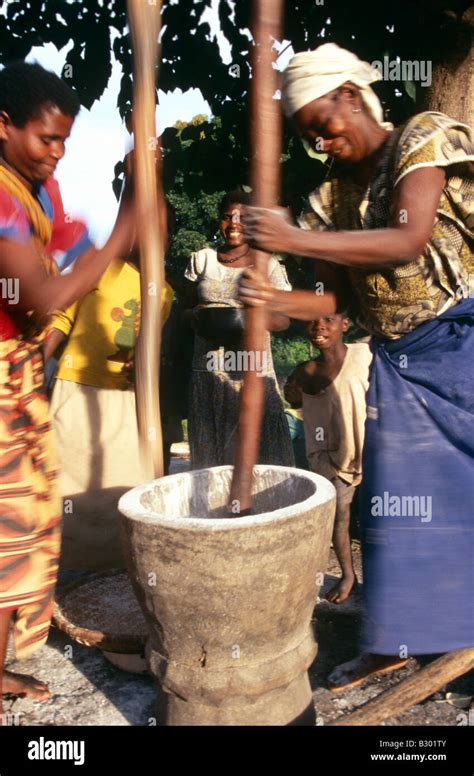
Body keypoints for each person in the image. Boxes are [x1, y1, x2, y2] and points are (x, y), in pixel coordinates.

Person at [239, 43, 474, 690]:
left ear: (351, 95)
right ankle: (395, 640)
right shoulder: (331, 199)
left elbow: (406, 236)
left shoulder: (421, 140)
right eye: (309, 135)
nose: (321, 142)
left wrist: (291, 238)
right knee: (395, 507)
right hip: (401, 365)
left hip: (463, 344)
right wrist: (271, 298)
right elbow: (335, 300)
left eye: (324, 123)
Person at [0, 62, 135, 711]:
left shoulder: (36, 193)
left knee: (19, 528)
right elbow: (43, 296)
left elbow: (69, 247)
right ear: (3, 125)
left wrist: (136, 206)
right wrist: (122, 234)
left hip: (18, 380)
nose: (56, 154)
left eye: (64, 142)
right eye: (45, 138)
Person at [43, 227, 174, 571]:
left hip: (126, 401)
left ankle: (111, 573)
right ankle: (66, 571)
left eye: (166, 233)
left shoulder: (165, 293)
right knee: (66, 485)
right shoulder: (99, 266)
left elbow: (149, 346)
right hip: (76, 388)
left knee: (120, 488)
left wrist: (143, 368)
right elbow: (60, 317)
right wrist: (33, 368)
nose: (157, 239)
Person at [184, 191, 294, 469]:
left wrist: (250, 319)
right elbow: (183, 310)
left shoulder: (266, 263)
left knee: (262, 458)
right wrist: (197, 317)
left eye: (242, 218)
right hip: (208, 372)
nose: (233, 224)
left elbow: (284, 319)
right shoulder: (202, 260)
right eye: (227, 217)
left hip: (252, 371)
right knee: (213, 463)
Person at [287, 314, 371, 604]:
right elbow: (294, 400)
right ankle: (349, 576)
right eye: (311, 321)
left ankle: (383, 576)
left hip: (370, 448)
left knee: (377, 516)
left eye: (329, 319)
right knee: (340, 518)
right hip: (333, 458)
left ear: (345, 324)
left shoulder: (364, 354)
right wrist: (295, 391)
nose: (318, 325)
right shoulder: (306, 371)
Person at [283, 371, 308, 470]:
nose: (289, 386)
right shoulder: (318, 417)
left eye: (299, 383)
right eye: (289, 381)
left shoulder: (289, 418)